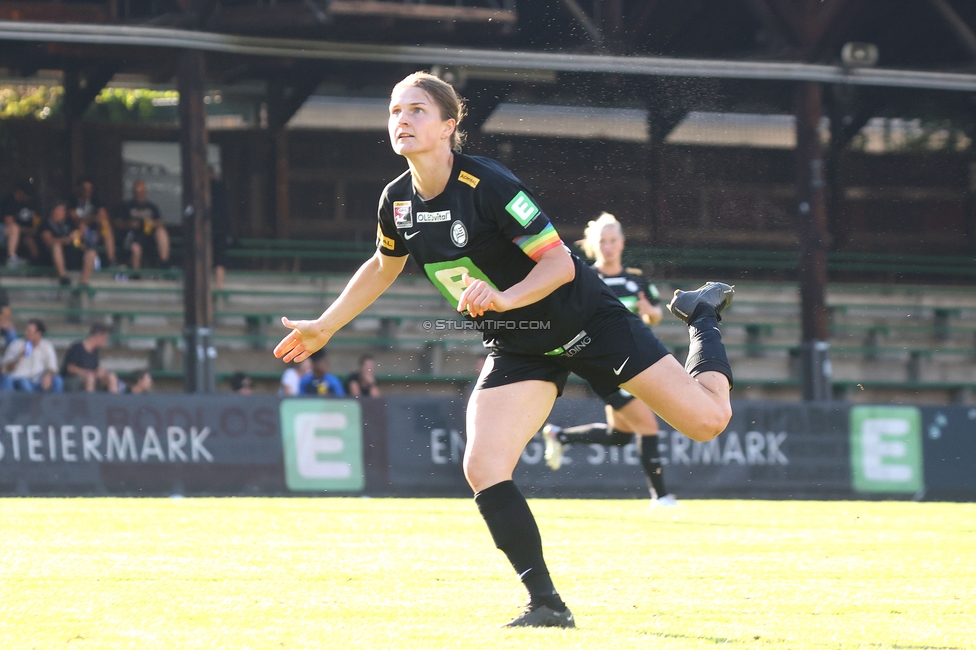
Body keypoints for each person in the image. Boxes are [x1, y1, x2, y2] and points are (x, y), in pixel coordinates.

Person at [273, 71, 734, 628]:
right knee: (483, 464)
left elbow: (560, 263)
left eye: (416, 110)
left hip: (586, 320)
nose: (402, 120)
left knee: (708, 421)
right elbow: (384, 264)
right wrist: (325, 325)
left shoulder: (487, 184)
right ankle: (546, 604)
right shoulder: (396, 201)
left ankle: (703, 317)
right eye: (395, 111)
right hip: (519, 344)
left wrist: (504, 296)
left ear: (449, 124)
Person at [541, 212, 677, 507]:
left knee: (621, 435)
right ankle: (661, 496)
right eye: (602, 241)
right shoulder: (586, 275)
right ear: (593, 244)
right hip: (608, 366)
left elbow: (655, 315)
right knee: (649, 427)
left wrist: (647, 309)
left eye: (613, 240)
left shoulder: (636, 278)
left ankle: (560, 436)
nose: (608, 246)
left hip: (634, 360)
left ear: (622, 243)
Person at [114, 180, 171, 274]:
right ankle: (136, 275)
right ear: (133, 192)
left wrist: (153, 223)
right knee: (136, 248)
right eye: (137, 192)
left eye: (141, 192)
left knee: (161, 231)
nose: (139, 194)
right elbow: (117, 222)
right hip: (133, 236)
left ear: (145, 191)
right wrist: (129, 224)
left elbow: (160, 221)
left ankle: (164, 262)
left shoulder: (151, 206)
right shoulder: (127, 205)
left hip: (149, 236)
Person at [38, 200, 98, 286]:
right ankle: (63, 277)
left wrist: (80, 244)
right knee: (56, 247)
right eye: (62, 210)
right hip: (52, 259)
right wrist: (67, 239)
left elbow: (76, 241)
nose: (64, 212)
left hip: (71, 255)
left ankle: (83, 282)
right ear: (55, 211)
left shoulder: (68, 223)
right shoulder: (45, 224)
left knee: (91, 252)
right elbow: (48, 241)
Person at [1, 318, 63, 392]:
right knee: (24, 382)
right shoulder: (16, 345)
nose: (26, 333)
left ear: (38, 334)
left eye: (29, 331)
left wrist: (48, 376)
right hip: (19, 380)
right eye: (26, 330)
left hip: (38, 381)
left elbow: (53, 367)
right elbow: (5, 369)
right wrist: (19, 356)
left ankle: (57, 402)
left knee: (57, 380)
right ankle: (31, 403)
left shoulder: (47, 346)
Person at [69, 177, 117, 267]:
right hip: (78, 235)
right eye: (85, 188)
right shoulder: (73, 201)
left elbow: (104, 216)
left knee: (106, 226)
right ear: (79, 188)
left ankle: (112, 259)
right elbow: (76, 220)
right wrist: (93, 218)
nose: (88, 191)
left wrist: (100, 218)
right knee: (82, 225)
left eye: (90, 188)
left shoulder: (95, 200)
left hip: (94, 234)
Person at [61, 322, 119, 393]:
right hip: (75, 378)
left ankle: (115, 402)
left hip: (92, 376)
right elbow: (70, 368)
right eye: (104, 339)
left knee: (111, 377)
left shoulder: (95, 351)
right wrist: (87, 372)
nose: (105, 342)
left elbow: (95, 367)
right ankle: (90, 402)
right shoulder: (77, 347)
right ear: (98, 336)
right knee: (90, 377)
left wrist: (101, 371)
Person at [0, 180, 39, 266]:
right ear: (20, 192)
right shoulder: (8, 201)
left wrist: (30, 230)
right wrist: (26, 230)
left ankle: (36, 265)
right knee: (14, 228)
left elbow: (33, 222)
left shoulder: (28, 204)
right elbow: (9, 222)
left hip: (22, 233)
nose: (28, 197)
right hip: (4, 231)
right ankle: (11, 258)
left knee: (30, 241)